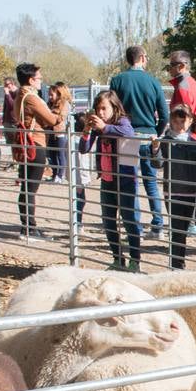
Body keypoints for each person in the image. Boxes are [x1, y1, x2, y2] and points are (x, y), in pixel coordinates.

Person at [110, 46, 170, 237]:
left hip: (126, 138)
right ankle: (158, 225)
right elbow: (165, 115)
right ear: (143, 58)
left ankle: (134, 227)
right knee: (151, 183)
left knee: (131, 183)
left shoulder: (118, 80)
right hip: (149, 136)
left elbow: (112, 110)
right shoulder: (153, 82)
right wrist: (156, 132)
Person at [83, 89, 141, 271]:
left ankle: (135, 260)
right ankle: (117, 258)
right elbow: (84, 148)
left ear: (114, 108)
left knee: (129, 219)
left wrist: (104, 128)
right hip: (107, 180)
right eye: (97, 109)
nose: (100, 113)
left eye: (104, 109)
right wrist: (86, 131)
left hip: (125, 180)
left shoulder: (122, 122)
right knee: (108, 220)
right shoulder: (98, 127)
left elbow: (128, 133)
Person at [9, 62, 67, 239]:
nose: (41, 81)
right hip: (35, 144)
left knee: (27, 187)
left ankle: (27, 227)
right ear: (31, 79)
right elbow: (50, 119)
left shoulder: (20, 95)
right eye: (39, 78)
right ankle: (30, 229)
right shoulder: (31, 98)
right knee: (30, 188)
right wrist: (61, 113)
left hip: (25, 144)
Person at [161, 104, 196, 269]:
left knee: (183, 230)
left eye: (183, 121)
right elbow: (157, 162)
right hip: (172, 193)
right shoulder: (166, 141)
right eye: (176, 122)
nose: (179, 126)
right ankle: (176, 264)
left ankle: (179, 262)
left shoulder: (194, 143)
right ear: (171, 122)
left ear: (190, 121)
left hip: (190, 193)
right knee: (176, 229)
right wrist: (154, 149)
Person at [45, 81, 72, 183]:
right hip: (50, 132)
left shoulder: (64, 104)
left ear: (58, 93)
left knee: (60, 154)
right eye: (49, 95)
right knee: (51, 154)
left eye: (52, 95)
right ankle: (54, 173)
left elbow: (61, 117)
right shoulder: (49, 104)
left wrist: (50, 117)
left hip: (59, 132)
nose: (50, 97)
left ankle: (60, 175)